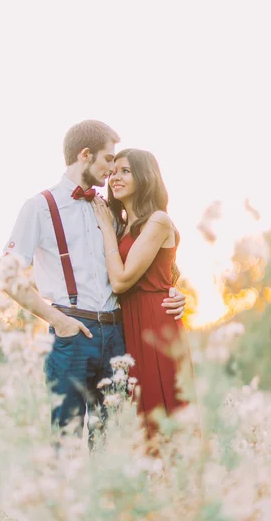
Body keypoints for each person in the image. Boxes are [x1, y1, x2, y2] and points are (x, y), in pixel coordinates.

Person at [3, 122, 186, 440]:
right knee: (67, 440)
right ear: (85, 155)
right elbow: (5, 276)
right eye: (107, 160)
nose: (111, 171)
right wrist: (58, 320)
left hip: (119, 336)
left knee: (111, 439)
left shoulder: (112, 212)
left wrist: (174, 291)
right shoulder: (39, 208)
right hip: (73, 336)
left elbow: (150, 263)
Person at [92, 148, 191, 439]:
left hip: (154, 325)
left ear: (145, 177)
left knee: (162, 409)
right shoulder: (123, 227)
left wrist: (106, 230)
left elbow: (121, 281)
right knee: (138, 412)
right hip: (129, 323)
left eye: (125, 171)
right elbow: (170, 272)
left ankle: (175, 480)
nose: (114, 178)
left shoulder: (158, 220)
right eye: (113, 172)